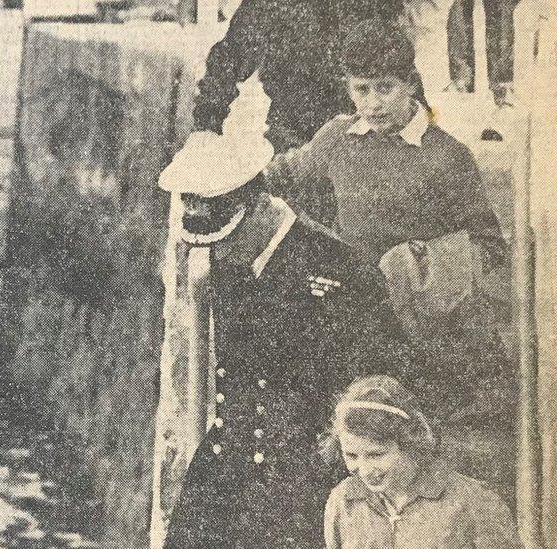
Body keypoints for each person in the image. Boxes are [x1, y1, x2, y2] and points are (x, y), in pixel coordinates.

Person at [158, 73, 412, 549]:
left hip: (304, 480)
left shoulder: (335, 268)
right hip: (228, 464)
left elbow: (383, 378)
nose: (219, 252)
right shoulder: (230, 262)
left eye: (225, 238)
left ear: (257, 207)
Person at [264, 18, 508, 411]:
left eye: (385, 88)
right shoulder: (338, 138)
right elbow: (284, 173)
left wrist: (421, 264)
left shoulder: (446, 156)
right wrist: (234, 177)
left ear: (410, 84)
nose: (373, 103)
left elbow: (489, 246)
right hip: (352, 307)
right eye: (362, 90)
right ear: (348, 89)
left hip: (419, 321)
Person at [322, 375, 518, 548]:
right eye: (352, 456)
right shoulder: (343, 501)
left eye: (376, 455)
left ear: (409, 443)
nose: (364, 470)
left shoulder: (474, 501)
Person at [192, 0, 406, 151]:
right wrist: (205, 127)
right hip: (293, 139)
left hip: (363, 137)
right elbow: (228, 61)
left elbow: (399, 64)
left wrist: (419, 120)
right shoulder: (267, 6)